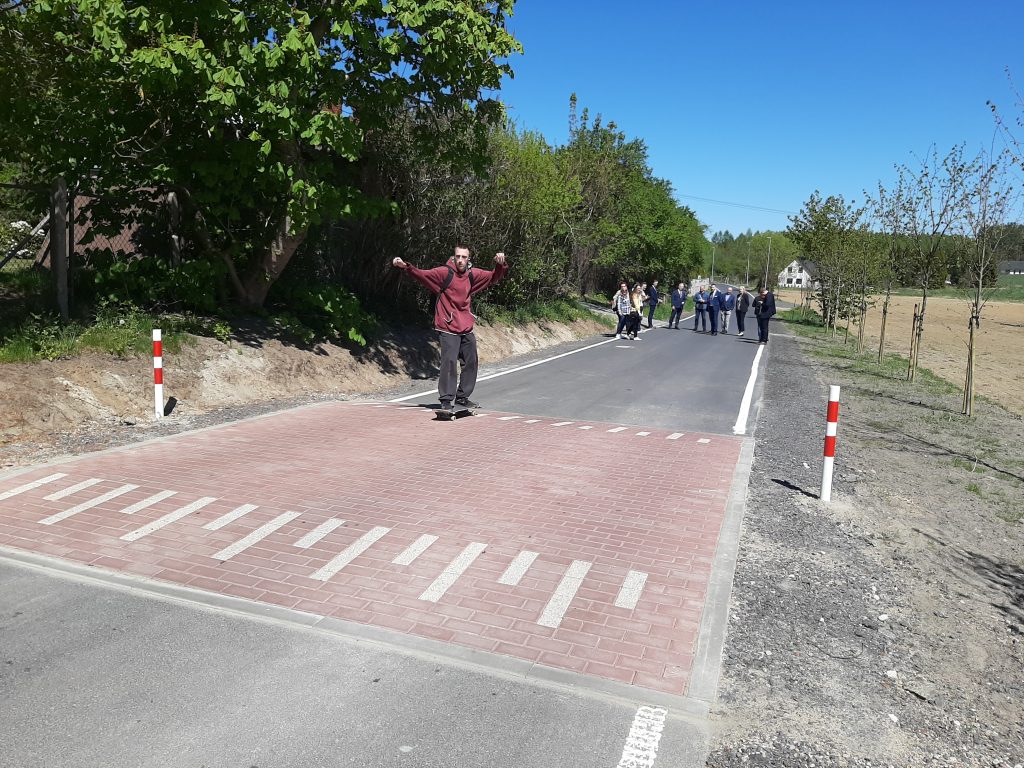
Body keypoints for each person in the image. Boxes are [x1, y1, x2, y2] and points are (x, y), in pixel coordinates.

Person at [393, 246, 508, 416]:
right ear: (454, 257)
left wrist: (500, 265)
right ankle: (446, 400)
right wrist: (406, 267)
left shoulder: (472, 274)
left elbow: (493, 277)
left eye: (464, 257)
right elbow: (422, 275)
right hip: (447, 326)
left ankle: (462, 397)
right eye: (458, 256)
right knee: (449, 363)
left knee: (471, 361)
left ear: (468, 259)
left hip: (465, 326)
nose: (460, 260)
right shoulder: (444, 273)